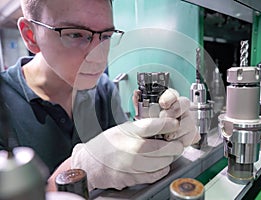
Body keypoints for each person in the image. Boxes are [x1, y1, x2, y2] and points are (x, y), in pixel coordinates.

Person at [0, 0, 199, 192]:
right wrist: (79, 170)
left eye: (105, 36)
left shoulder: (103, 89)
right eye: (76, 34)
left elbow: (129, 166)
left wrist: (158, 134)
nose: (98, 56)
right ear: (30, 35)